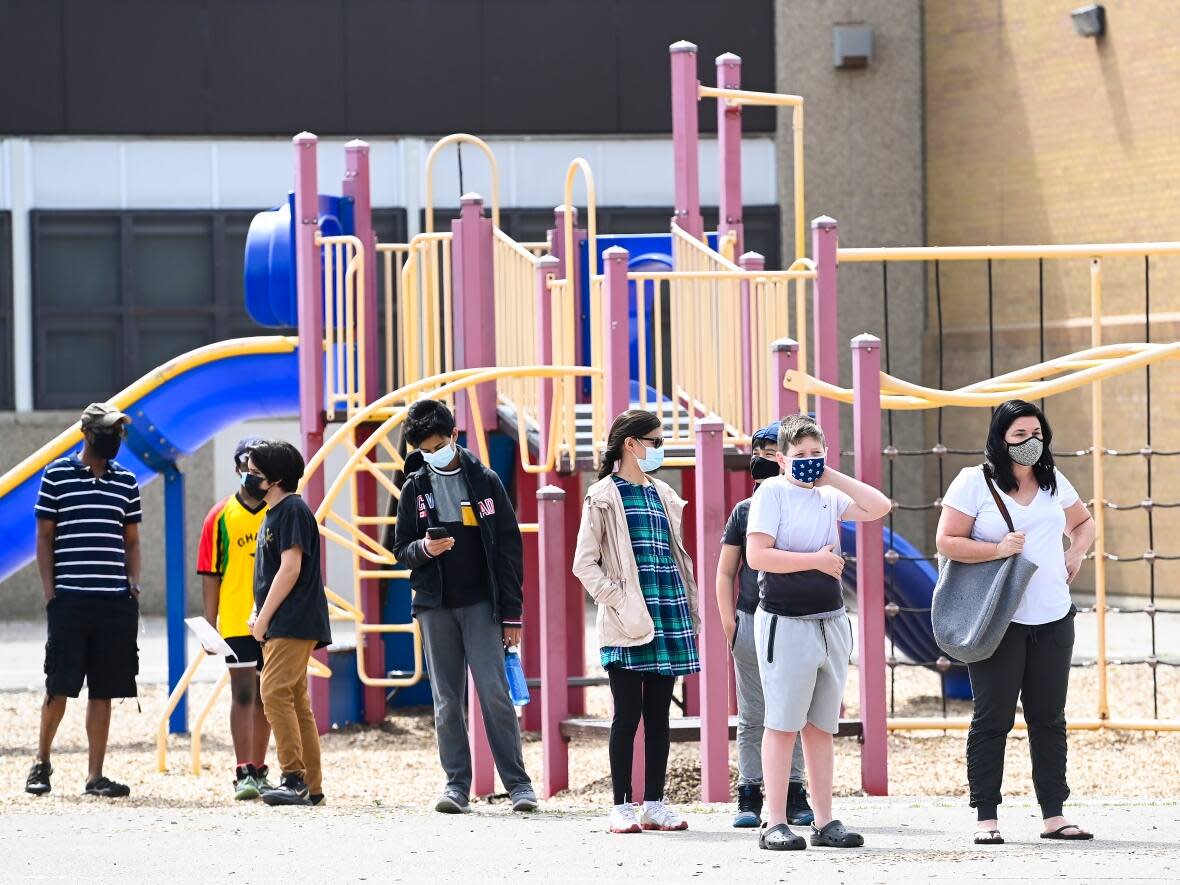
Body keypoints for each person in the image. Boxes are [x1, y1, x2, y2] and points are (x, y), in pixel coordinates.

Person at [936, 400, 1096, 845]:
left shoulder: (1053, 481)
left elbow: (1084, 523)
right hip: (998, 620)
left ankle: (1053, 815)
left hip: (1053, 617)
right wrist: (997, 549)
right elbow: (947, 541)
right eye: (1019, 435)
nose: (1030, 443)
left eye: (1037, 434)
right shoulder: (973, 482)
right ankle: (986, 815)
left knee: (1049, 719)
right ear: (1000, 438)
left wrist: (1076, 551)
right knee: (993, 718)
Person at [746, 414, 892, 851]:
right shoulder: (771, 493)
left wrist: (829, 473)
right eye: (799, 455)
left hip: (830, 621)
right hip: (785, 621)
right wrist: (815, 560)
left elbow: (879, 505)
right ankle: (773, 821)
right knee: (782, 722)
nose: (808, 462)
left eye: (815, 453)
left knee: (821, 726)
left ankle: (825, 820)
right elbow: (758, 556)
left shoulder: (830, 494)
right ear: (781, 459)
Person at [392, 400, 538, 814]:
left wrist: (512, 615)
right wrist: (425, 548)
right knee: (446, 698)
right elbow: (400, 547)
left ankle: (519, 784)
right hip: (434, 606)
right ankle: (456, 784)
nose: (431, 454)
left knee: (494, 692)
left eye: (437, 445)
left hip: (482, 605)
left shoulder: (486, 481)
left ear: (453, 437)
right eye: (422, 450)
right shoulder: (413, 487)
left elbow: (510, 550)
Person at [573, 410, 700, 835]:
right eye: (655, 441)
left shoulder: (663, 493)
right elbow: (584, 564)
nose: (659, 449)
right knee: (626, 715)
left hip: (667, 612)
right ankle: (621, 805)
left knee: (660, 716)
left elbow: (674, 555)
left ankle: (655, 804)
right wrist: (618, 600)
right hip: (627, 620)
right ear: (631, 444)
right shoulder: (603, 495)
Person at [26, 403, 142, 798]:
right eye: (109, 431)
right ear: (87, 433)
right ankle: (41, 763)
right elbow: (44, 537)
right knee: (58, 685)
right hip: (70, 599)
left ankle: (95, 776)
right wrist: (50, 593)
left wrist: (133, 583)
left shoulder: (126, 482)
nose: (115, 439)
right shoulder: (56, 475)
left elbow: (132, 540)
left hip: (114, 601)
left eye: (119, 432)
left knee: (105, 689)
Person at [715, 423, 812, 829]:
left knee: (793, 712)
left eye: (775, 451)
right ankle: (750, 793)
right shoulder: (744, 511)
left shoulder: (809, 506)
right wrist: (729, 624)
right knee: (754, 713)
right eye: (761, 451)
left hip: (794, 621)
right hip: (751, 621)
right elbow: (725, 572)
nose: (767, 459)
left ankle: (794, 791)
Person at [246, 440, 332, 807]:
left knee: (273, 692)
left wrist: (263, 617)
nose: (247, 479)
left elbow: (291, 567)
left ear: (277, 478)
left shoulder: (293, 510)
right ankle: (311, 787)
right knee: (296, 700)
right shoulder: (272, 513)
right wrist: (257, 610)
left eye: (254, 474)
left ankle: (292, 777)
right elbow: (269, 574)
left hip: (292, 621)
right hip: (283, 620)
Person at [197, 436, 273, 800]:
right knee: (243, 694)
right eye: (247, 464)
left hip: (275, 621)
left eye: (259, 466)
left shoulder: (282, 510)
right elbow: (210, 575)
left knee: (268, 697)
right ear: (237, 467)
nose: (252, 472)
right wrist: (210, 628)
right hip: (235, 621)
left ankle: (261, 768)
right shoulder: (220, 516)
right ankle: (243, 770)